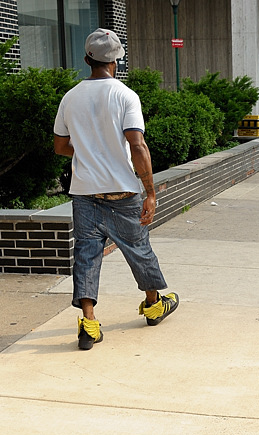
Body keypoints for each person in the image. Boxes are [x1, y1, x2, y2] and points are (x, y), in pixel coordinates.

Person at [54, 29, 179, 350]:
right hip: (123, 192)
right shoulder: (125, 96)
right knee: (139, 249)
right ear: (117, 61)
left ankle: (89, 321)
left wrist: (88, 151)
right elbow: (137, 145)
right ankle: (153, 305)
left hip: (84, 193)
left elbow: (60, 146)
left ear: (87, 60)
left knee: (86, 254)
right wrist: (150, 192)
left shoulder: (70, 97)